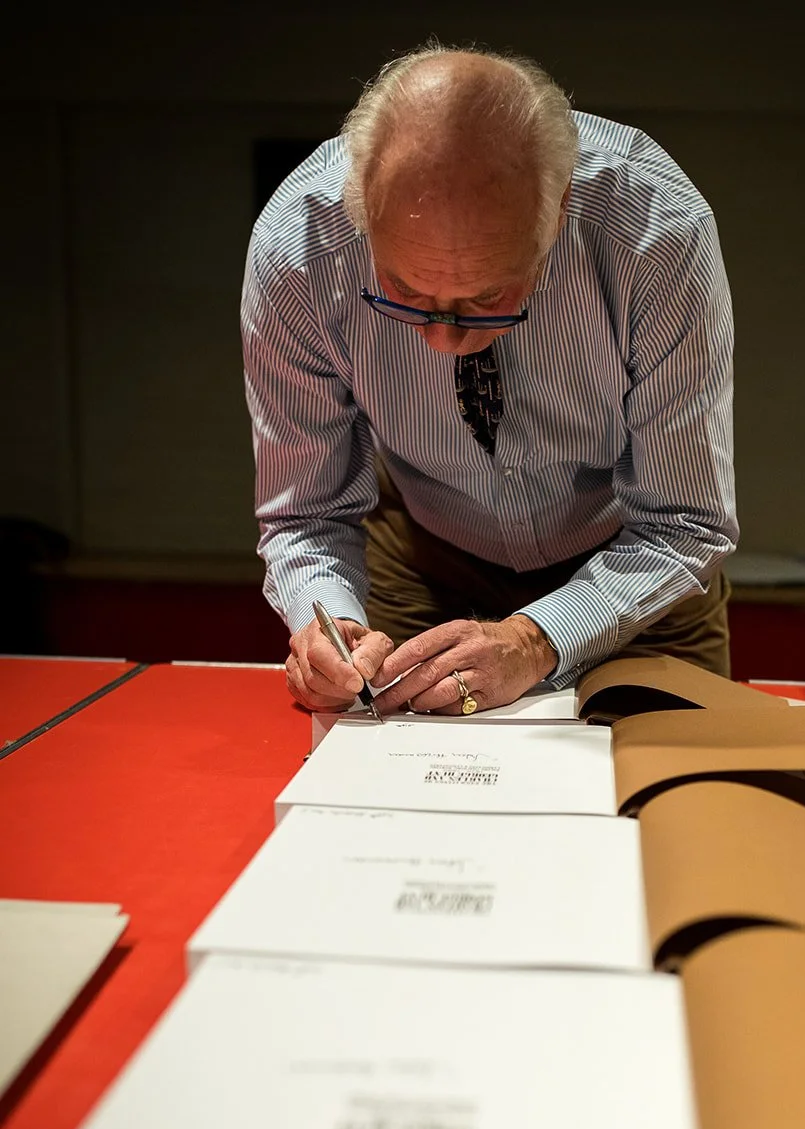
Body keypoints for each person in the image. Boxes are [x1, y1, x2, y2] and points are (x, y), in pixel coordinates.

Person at [242, 43, 737, 715]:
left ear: (556, 210)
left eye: (486, 296)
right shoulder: (299, 245)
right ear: (362, 208)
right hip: (423, 555)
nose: (444, 338)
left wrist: (534, 640)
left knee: (671, 807)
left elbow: (684, 521)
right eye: (405, 291)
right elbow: (306, 512)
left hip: (635, 570)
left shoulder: (652, 229)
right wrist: (326, 623)